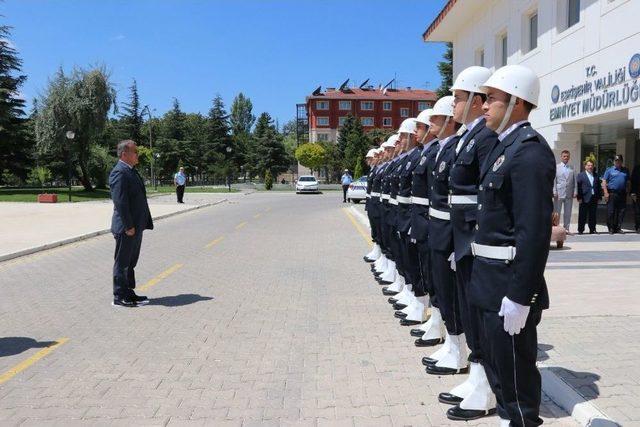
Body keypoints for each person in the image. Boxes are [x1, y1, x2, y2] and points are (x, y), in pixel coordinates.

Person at [471, 64, 555, 427]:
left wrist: (521, 296)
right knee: (498, 371)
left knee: (517, 383)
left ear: (516, 103)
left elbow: (533, 233)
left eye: (491, 99)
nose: (483, 106)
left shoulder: (530, 152)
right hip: (487, 279)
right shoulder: (504, 147)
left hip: (508, 283)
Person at [443, 66, 498, 421]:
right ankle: (476, 377)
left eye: (459, 99)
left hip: (473, 237)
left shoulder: (485, 139)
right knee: (466, 307)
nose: (453, 105)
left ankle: (486, 387)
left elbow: (484, 196)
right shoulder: (467, 136)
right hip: (459, 235)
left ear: (478, 101)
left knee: (477, 314)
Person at [422, 95, 469, 377]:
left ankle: (458, 349)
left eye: (436, 120)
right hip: (437, 228)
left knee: (451, 294)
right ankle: (452, 345)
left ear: (449, 122)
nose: (431, 125)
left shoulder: (454, 146)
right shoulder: (444, 148)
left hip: (449, 231)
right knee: (441, 289)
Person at [109, 140, 154, 308]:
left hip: (136, 226)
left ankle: (129, 292)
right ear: (124, 154)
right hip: (126, 228)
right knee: (122, 263)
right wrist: (128, 226)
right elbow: (120, 202)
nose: (137, 154)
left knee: (130, 263)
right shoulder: (119, 172)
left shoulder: (131, 171)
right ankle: (119, 296)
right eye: (135, 151)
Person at [602, 154, 630, 234]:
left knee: (621, 211)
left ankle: (618, 227)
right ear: (614, 161)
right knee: (611, 212)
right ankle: (611, 228)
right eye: (616, 161)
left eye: (619, 161)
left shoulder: (625, 170)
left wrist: (628, 190)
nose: (618, 162)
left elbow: (628, 181)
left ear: (622, 162)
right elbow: (604, 182)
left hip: (622, 193)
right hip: (612, 193)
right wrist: (606, 193)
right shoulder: (609, 170)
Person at [576, 160, 602, 234]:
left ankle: (592, 229)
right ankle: (580, 230)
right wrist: (579, 198)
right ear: (585, 166)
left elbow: (598, 187)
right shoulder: (581, 175)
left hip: (594, 198)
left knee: (593, 215)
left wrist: (599, 197)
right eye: (588, 165)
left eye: (591, 165)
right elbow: (578, 187)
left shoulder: (596, 175)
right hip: (584, 198)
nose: (590, 167)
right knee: (582, 215)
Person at [553, 150, 576, 233]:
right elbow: (554, 180)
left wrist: (575, 191)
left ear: (569, 157)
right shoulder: (556, 167)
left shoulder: (572, 167)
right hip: (559, 194)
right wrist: (554, 191)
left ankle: (566, 229)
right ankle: (556, 228)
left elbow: (574, 181)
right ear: (561, 157)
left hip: (569, 193)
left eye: (567, 156)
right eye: (564, 156)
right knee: (557, 212)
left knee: (568, 212)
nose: (566, 158)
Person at [629, 163, 640, 233]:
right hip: (637, 194)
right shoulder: (637, 168)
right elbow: (632, 181)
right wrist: (632, 193)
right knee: (637, 212)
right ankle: (638, 227)